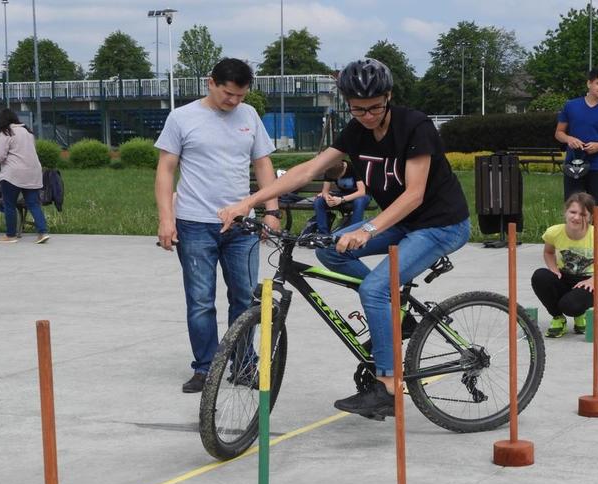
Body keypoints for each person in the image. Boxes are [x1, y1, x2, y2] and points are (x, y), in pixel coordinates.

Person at [218, 58, 470, 419]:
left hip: (440, 224)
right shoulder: (355, 130)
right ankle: (393, 311)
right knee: (331, 250)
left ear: (388, 97)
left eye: (373, 108)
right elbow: (309, 169)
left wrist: (368, 229)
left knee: (374, 289)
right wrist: (248, 201)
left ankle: (386, 387)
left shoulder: (416, 127)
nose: (366, 116)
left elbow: (414, 194)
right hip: (400, 223)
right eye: (357, 109)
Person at [155, 58, 281, 393]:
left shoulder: (249, 116)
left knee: (244, 297)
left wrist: (272, 210)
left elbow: (263, 164)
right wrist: (166, 218)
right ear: (210, 82)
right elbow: (166, 169)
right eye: (228, 94)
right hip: (195, 223)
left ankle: (243, 365)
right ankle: (206, 368)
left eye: (241, 95)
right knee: (200, 299)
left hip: (242, 228)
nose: (234, 102)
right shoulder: (182, 117)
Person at [531, 192, 598, 338]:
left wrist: (594, 280)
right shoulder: (553, 232)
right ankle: (557, 318)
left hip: (589, 283)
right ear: (565, 212)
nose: (576, 217)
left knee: (570, 306)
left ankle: (579, 314)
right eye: (572, 212)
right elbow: (548, 253)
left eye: (583, 214)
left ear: (590, 217)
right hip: (564, 277)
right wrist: (554, 269)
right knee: (540, 276)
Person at [555, 67, 598, 214]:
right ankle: (574, 236)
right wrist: (569, 139)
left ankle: (596, 237)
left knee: (595, 207)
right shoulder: (571, 106)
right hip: (574, 164)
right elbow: (559, 133)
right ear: (589, 83)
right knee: (573, 205)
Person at [0, 109, 49, 244]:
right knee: (33, 204)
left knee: (9, 204)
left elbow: (0, 155)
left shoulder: (5, 132)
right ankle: (42, 232)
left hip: (13, 174)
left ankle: (10, 235)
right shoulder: (28, 132)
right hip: (33, 173)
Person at [310, 159, 369, 233]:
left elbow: (361, 192)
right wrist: (327, 198)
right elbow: (325, 191)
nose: (337, 179)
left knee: (359, 201)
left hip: (360, 196)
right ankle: (323, 234)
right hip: (342, 194)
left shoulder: (354, 167)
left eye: (339, 176)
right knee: (318, 201)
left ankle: (353, 232)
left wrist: (341, 200)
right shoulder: (330, 168)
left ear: (344, 168)